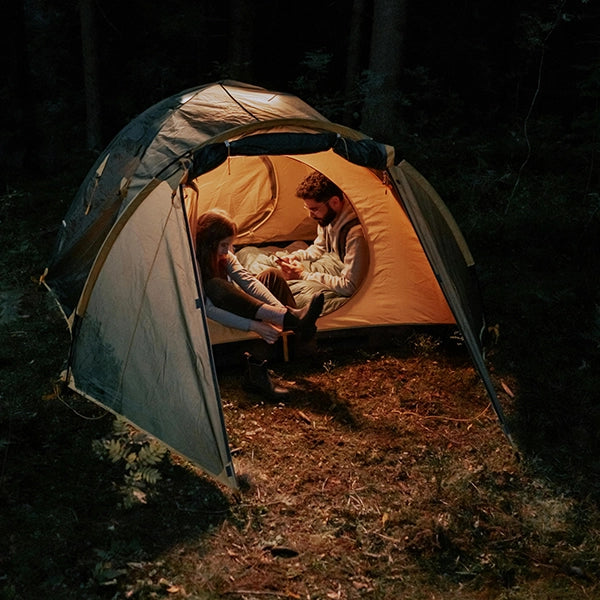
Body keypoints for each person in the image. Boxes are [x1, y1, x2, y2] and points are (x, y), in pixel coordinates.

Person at [195, 209, 324, 398]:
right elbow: (209, 309)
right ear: (209, 243)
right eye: (223, 245)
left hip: (240, 303)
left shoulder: (225, 256)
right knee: (215, 285)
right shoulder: (195, 263)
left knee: (272, 275)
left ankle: (293, 326)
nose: (227, 251)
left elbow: (248, 281)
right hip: (217, 311)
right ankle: (256, 374)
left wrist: (278, 312)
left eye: (230, 245)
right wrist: (254, 325)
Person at [275, 171, 369, 297]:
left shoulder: (356, 234)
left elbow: (350, 286)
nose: (310, 215)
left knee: (292, 292)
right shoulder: (327, 216)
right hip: (335, 264)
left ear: (335, 202)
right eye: (308, 208)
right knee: (267, 264)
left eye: (314, 209)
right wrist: (296, 257)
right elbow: (320, 247)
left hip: (351, 285)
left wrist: (303, 275)